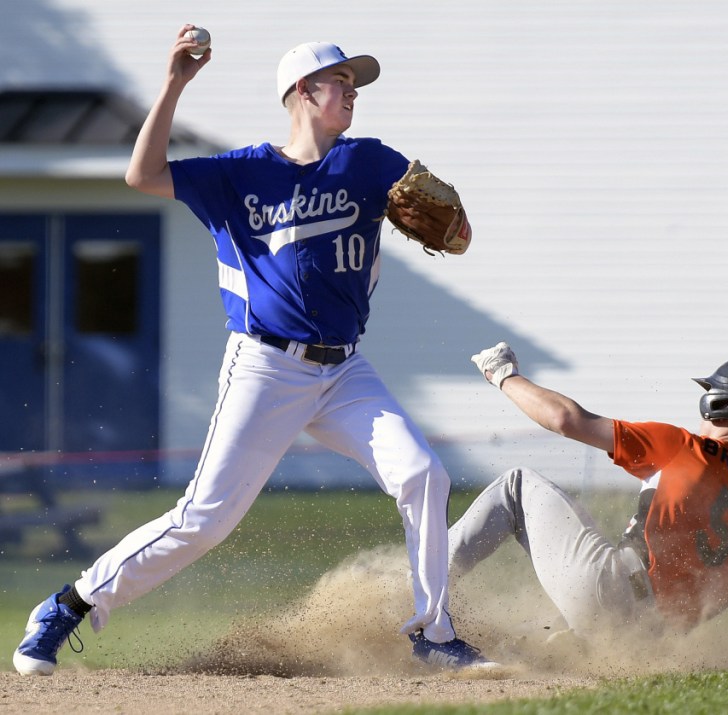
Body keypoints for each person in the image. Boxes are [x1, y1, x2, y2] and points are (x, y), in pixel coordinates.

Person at [12, 25, 494, 676]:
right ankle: (69, 603)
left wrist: (455, 223)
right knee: (204, 520)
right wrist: (175, 82)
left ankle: (434, 633)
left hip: (345, 367)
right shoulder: (242, 174)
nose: (351, 93)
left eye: (356, 84)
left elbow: (448, 223)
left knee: (424, 474)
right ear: (301, 91)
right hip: (266, 366)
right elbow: (142, 173)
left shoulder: (370, 162)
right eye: (340, 82)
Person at [455, 342, 728, 670]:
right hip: (646, 642)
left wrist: (504, 375)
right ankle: (563, 642)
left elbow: (567, 420)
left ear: (723, 404)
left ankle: (415, 590)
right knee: (588, 535)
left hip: (612, 592)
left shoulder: (685, 447)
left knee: (517, 486)